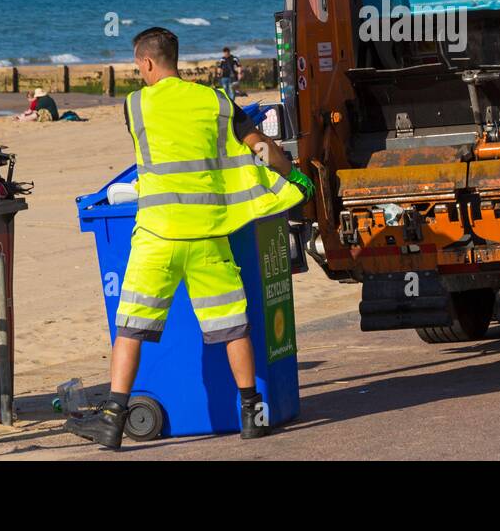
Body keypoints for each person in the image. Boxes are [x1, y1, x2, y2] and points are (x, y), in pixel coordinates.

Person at [65, 27, 314, 449]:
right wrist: (294, 177)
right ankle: (252, 413)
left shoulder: (135, 105)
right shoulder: (216, 102)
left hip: (157, 238)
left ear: (145, 63)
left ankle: (111, 421)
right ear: (174, 59)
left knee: (130, 328)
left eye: (138, 66)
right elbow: (260, 148)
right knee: (233, 326)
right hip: (208, 236)